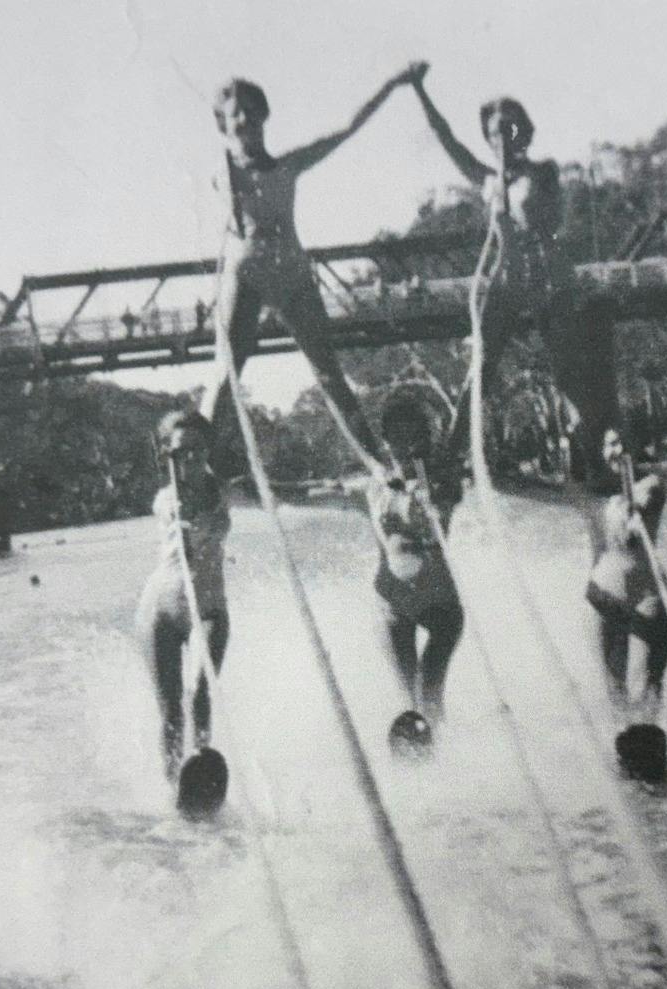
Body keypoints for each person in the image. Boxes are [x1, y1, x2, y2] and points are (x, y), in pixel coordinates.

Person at [203, 67, 425, 477]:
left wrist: (392, 83)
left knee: (328, 372)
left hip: (292, 276)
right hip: (246, 276)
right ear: (223, 122)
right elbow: (225, 204)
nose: (245, 119)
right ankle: (201, 466)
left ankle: (376, 463)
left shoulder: (288, 166)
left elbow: (346, 128)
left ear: (264, 116)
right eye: (236, 113)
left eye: (253, 111)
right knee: (226, 372)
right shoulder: (222, 172)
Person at [409, 76, 615, 481]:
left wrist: (510, 184)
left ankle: (592, 463)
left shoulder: (544, 173)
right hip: (508, 278)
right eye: (493, 132)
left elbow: (551, 218)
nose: (501, 136)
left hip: (550, 279)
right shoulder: (486, 179)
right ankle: (447, 462)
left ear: (524, 131)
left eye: (509, 128)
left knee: (569, 375)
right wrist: (419, 88)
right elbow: (445, 137)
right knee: (480, 367)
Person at [137, 410, 231, 777]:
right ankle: (175, 784)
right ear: (168, 455)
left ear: (208, 450)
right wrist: (182, 516)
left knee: (201, 692)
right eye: (181, 451)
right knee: (171, 710)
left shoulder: (223, 489)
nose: (191, 457)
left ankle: (201, 768)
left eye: (198, 449)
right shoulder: (166, 499)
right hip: (160, 610)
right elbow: (173, 512)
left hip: (208, 608)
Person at [365, 394, 465, 724]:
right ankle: (418, 768)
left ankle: (446, 764)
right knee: (410, 704)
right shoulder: (376, 483)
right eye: (398, 437)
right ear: (387, 441)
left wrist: (434, 502)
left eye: (413, 437)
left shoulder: (439, 480)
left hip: (439, 602)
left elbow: (447, 497)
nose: (406, 446)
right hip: (392, 602)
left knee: (431, 693)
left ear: (424, 439)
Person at [586, 428, 667, 725]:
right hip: (602, 596)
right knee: (614, 689)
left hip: (645, 598)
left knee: (648, 685)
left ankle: (649, 737)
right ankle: (624, 746)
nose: (616, 451)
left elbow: (646, 500)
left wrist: (634, 513)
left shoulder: (652, 484)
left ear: (637, 446)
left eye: (622, 443)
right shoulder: (597, 493)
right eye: (609, 445)